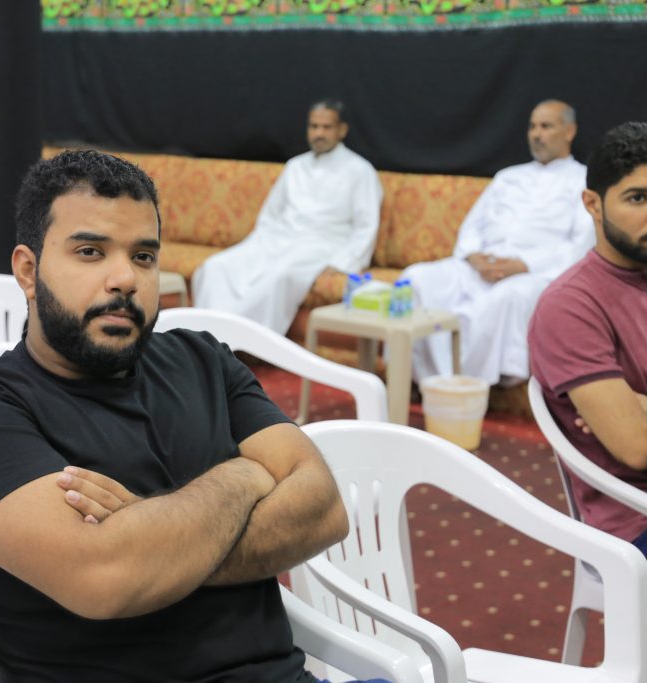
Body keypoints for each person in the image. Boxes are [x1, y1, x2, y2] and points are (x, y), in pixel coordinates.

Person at [0, 150, 388, 683]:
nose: (125, 278)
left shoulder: (204, 360)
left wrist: (156, 546)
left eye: (143, 256)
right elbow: (109, 578)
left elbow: (324, 509)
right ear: (28, 270)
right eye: (90, 252)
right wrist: (245, 476)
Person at [404, 100, 595, 385]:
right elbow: (472, 225)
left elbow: (579, 245)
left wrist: (523, 265)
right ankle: (428, 380)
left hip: (534, 274)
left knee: (508, 298)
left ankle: (467, 386)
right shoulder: (508, 177)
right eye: (532, 127)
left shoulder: (584, 181)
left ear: (570, 132)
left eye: (546, 126)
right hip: (480, 267)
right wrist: (473, 257)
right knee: (415, 278)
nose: (536, 134)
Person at [528, 121, 647, 556]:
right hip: (632, 524)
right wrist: (631, 414)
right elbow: (636, 447)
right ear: (593, 204)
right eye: (637, 198)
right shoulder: (569, 306)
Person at [191, 100, 382, 334]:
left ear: (342, 130)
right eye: (314, 126)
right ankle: (205, 339)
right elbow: (270, 216)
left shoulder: (360, 170)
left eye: (326, 127)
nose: (319, 133)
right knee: (215, 267)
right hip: (276, 240)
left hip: (323, 245)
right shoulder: (295, 166)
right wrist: (259, 245)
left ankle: (243, 343)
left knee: (276, 278)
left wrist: (344, 263)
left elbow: (366, 226)